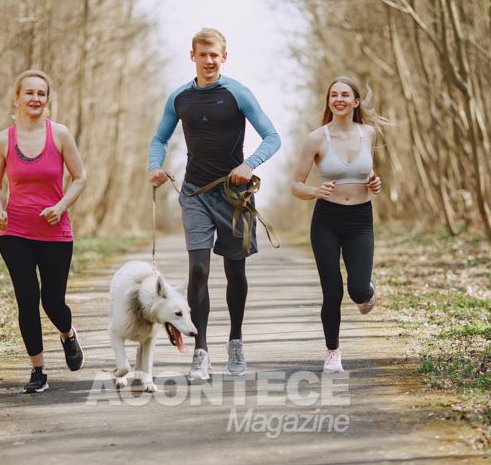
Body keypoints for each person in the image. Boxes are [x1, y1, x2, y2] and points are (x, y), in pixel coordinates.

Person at [148, 28, 281, 380]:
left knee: (235, 271)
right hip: (194, 193)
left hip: (234, 198)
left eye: (215, 55)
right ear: (192, 56)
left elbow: (273, 136)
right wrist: (155, 166)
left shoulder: (237, 93)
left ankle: (235, 342)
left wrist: (249, 163)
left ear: (224, 57)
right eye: (202, 54)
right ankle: (201, 351)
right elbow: (160, 138)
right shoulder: (180, 98)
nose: (209, 60)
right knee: (198, 271)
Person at [0, 69, 88, 393]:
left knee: (53, 302)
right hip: (15, 231)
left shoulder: (59, 134)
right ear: (16, 98)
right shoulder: (3, 140)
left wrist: (61, 207)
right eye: (28, 93)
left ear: (47, 100)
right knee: (27, 299)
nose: (35, 99)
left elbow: (80, 177)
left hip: (55, 232)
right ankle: (38, 370)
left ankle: (68, 333)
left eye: (41, 94)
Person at [290, 76, 382, 373]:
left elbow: (368, 172)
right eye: (333, 95)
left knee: (356, 292)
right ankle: (333, 353)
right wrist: (315, 191)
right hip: (326, 220)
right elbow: (296, 185)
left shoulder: (369, 133)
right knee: (332, 291)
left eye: (345, 94)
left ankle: (367, 289)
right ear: (329, 102)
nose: (339, 99)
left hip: (360, 220)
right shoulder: (316, 138)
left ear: (356, 101)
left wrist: (375, 182)